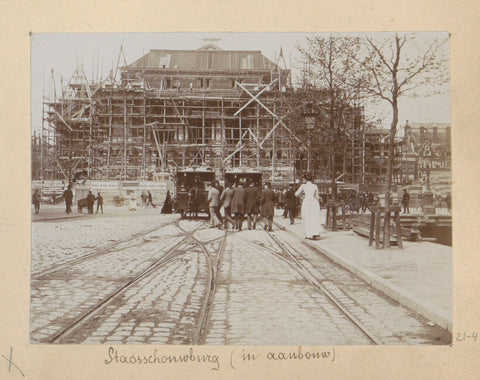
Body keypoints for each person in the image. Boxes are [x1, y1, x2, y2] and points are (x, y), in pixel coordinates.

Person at [295, 173, 321, 240]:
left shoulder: (303, 186)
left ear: (305, 179)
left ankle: (308, 234)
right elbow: (317, 196)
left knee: (307, 218)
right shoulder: (315, 186)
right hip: (314, 202)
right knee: (314, 218)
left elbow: (296, 194)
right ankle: (315, 233)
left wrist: (302, 197)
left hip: (306, 202)